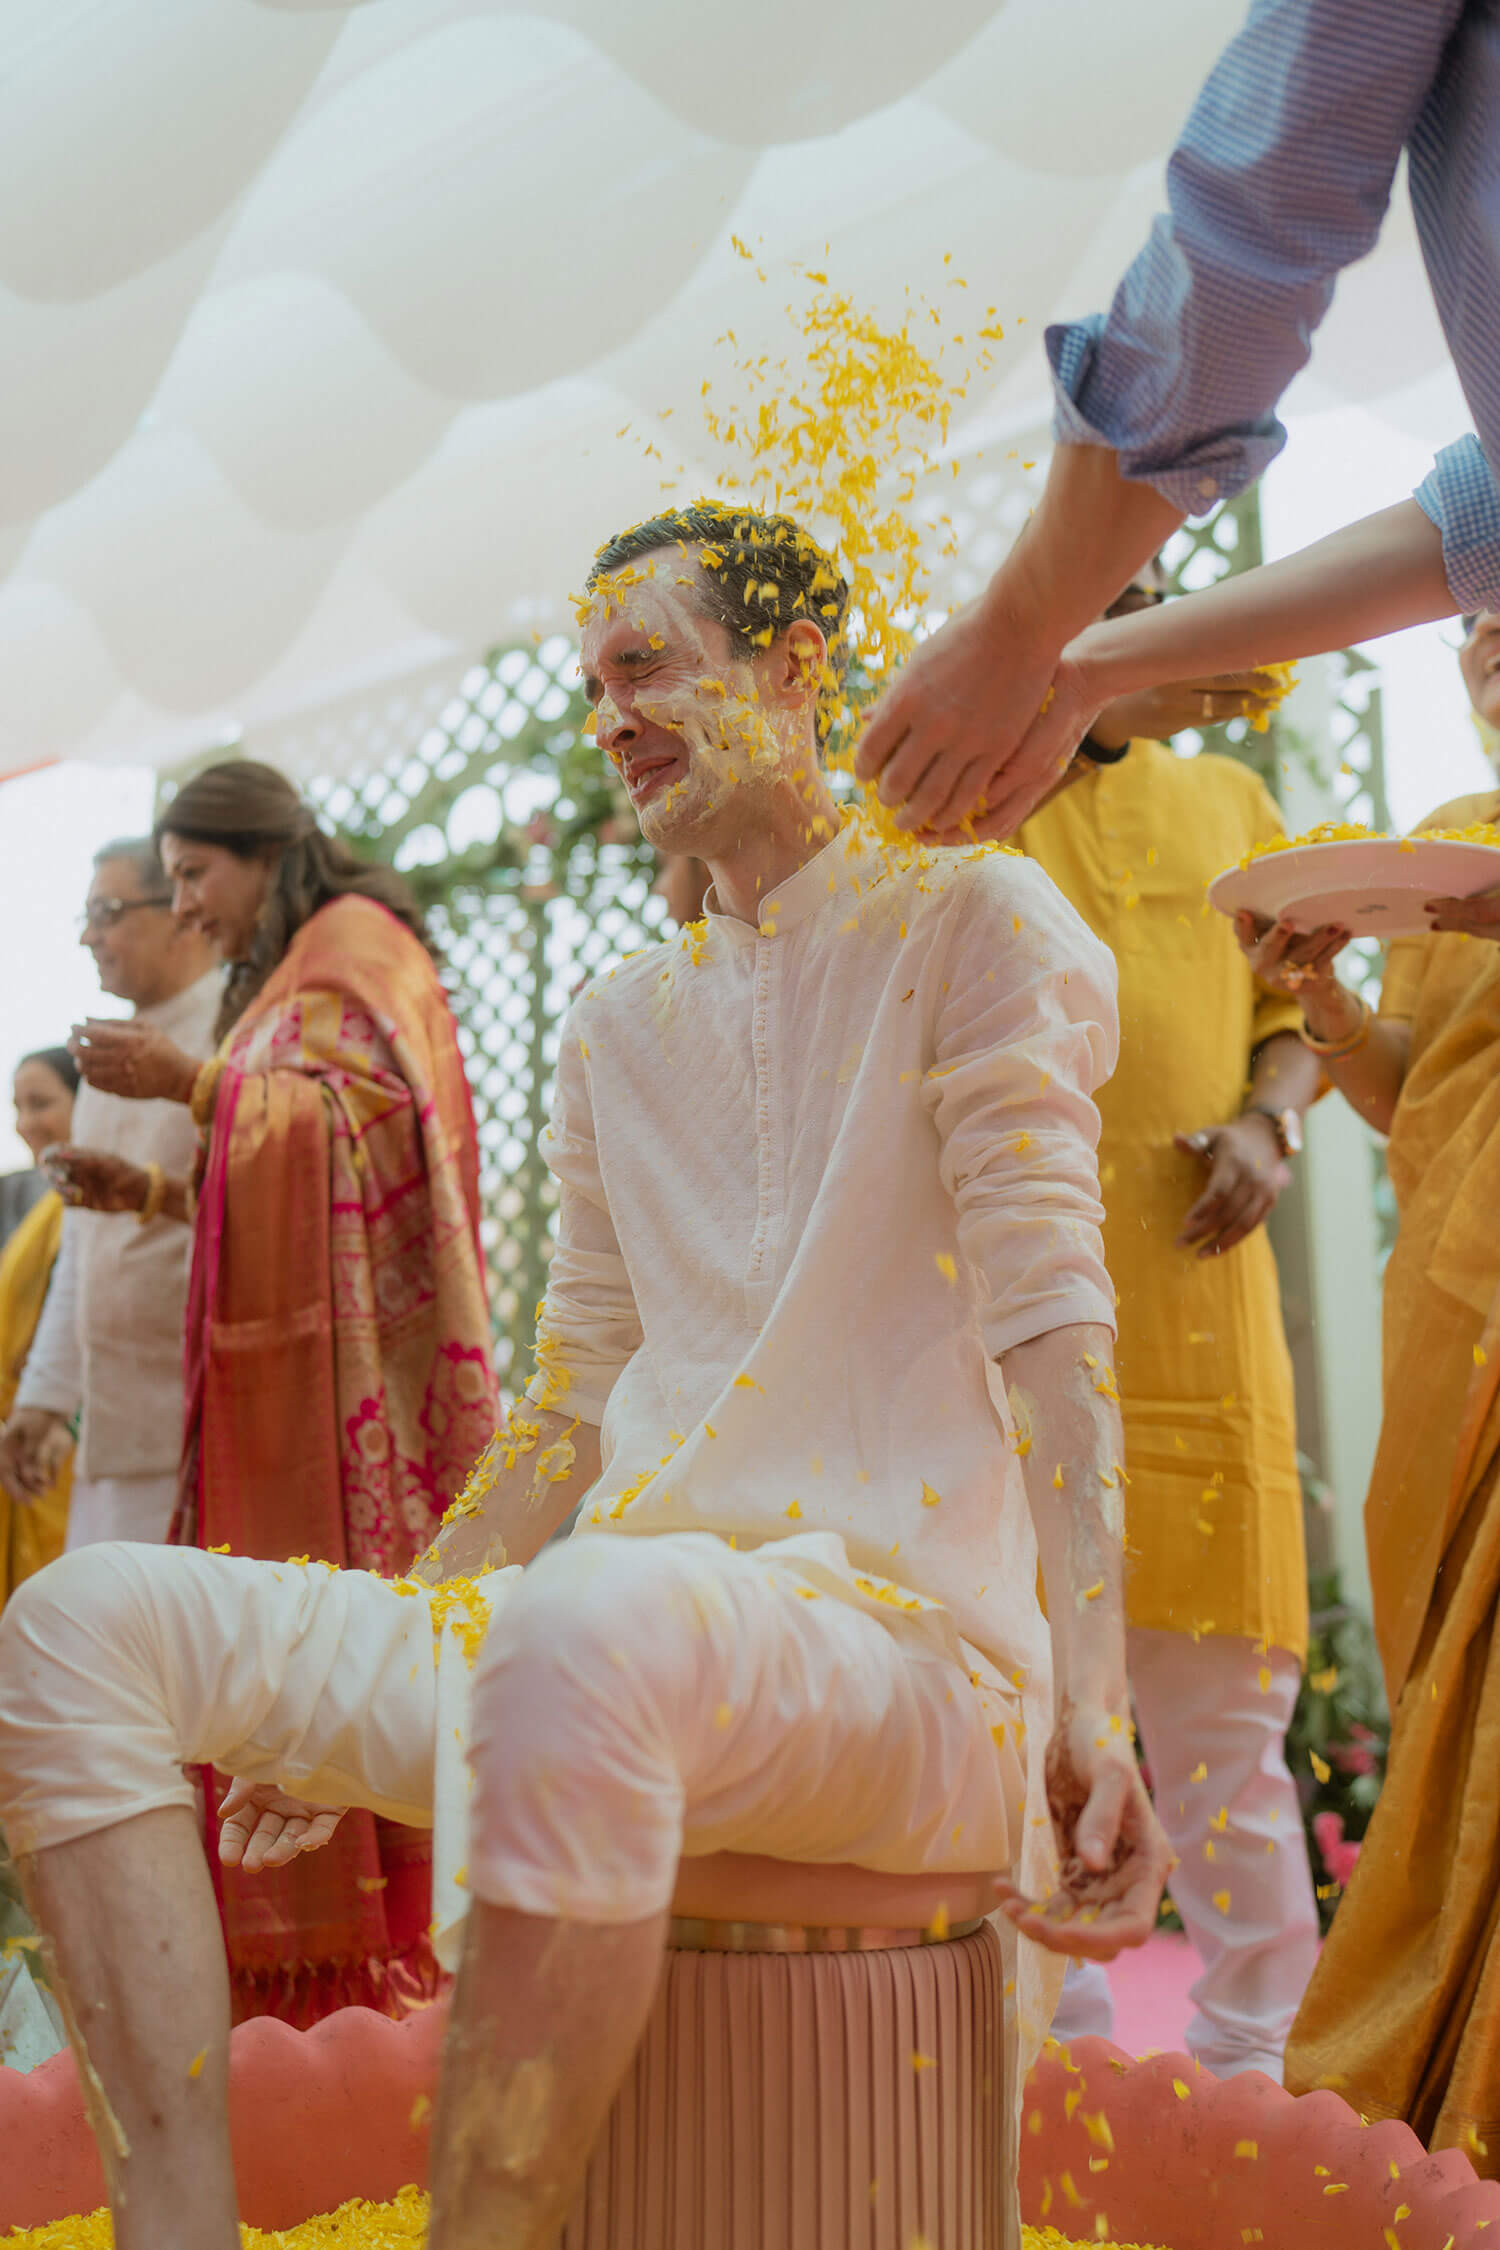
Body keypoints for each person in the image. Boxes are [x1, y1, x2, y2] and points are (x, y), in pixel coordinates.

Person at [0, 503, 1171, 2250]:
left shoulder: (974, 918)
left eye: (645, 668)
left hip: (912, 1651)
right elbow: (568, 1403)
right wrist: (390, 1644)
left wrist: (1094, 1702)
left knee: (590, 1624)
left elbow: (1055, 1329)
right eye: (592, 684)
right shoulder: (621, 1019)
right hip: (612, 1626)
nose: (609, 717)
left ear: (793, 669)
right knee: (79, 1625)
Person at [54, 759, 498, 2027]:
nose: (189, 905)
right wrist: (152, 1190)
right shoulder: (299, 966)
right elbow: (291, 1168)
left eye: (195, 874)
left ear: (265, 852)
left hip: (367, 1405)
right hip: (292, 1383)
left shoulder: (352, 948)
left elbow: (361, 1133)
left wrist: (191, 1085)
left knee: (336, 1658)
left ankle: (375, 1991)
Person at [855, 0, 1500, 841]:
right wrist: (1078, 669)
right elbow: (1478, 520)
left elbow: (1252, 238)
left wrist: (1023, 630)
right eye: (1113, 598)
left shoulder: (1229, 800)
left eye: (1132, 595)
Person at [1018, 566, 1322, 2079]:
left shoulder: (1234, 798)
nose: (1121, 627)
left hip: (1200, 1324)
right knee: (1031, 1735)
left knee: (1227, 1744)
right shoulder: (980, 800)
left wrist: (1271, 1122)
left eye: (1145, 599)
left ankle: (1257, 2069)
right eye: (1088, 604)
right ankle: (1056, 2076)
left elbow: (1296, 1014)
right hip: (1018, 1332)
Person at [1226, 608, 1500, 2170]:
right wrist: (1327, 1006)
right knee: (1455, 1692)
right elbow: (1414, 1091)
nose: (1490, 630)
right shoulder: (1449, 848)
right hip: (1452, 1319)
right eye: (1470, 617)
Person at [0, 843, 219, 1544]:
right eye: (87, 917)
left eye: (107, 913)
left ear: (180, 911)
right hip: (112, 1430)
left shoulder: (234, 1033)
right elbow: (84, 1253)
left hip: (212, 1421)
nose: (88, 938)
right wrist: (44, 1398)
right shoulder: (107, 1060)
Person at [0, 1050, 80, 1606]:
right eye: (18, 1107)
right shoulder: (38, 1199)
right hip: (23, 1434)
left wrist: (65, 1419)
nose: (26, 1123)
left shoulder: (102, 1200)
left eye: (42, 1103)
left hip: (64, 1443)